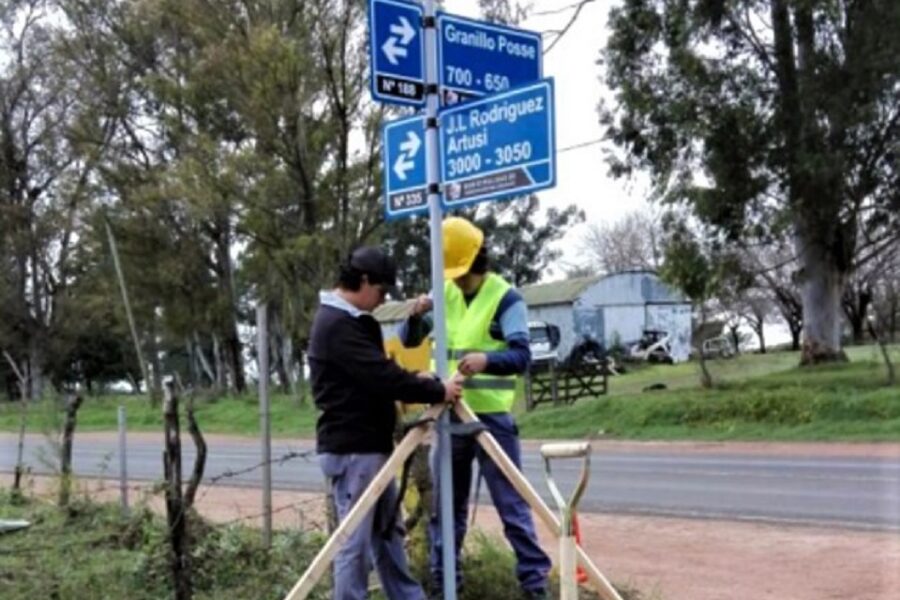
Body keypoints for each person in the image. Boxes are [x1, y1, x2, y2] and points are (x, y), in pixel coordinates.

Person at [399, 217, 552, 599]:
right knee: (445, 512)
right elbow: (410, 339)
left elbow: (521, 356)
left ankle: (535, 588)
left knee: (512, 509)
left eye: (456, 272)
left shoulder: (506, 298)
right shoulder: (445, 292)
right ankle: (444, 585)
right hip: (449, 418)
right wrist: (415, 317)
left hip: (492, 422)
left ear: (471, 263)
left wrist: (487, 359)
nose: (453, 280)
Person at [309, 246, 464, 600]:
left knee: (387, 532)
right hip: (354, 449)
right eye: (380, 291)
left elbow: (373, 376)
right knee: (356, 541)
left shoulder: (350, 320)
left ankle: (408, 597)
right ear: (363, 281)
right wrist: (436, 389)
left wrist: (418, 380)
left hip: (369, 447)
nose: (381, 300)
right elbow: (380, 376)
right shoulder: (336, 324)